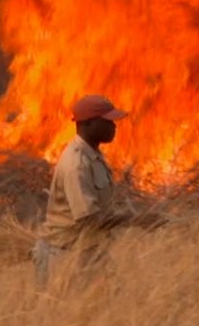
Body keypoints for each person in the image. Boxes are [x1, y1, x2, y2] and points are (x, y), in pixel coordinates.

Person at [32, 94, 165, 287]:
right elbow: (89, 218)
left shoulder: (92, 155)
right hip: (65, 257)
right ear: (88, 124)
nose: (114, 126)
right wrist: (138, 220)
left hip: (89, 251)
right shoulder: (76, 164)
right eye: (108, 121)